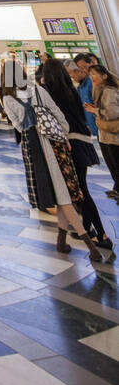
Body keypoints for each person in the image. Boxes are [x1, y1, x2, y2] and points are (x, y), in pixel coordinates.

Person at [2, 72, 103, 266]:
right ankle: (62, 241)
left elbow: (19, 125)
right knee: (62, 192)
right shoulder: (39, 91)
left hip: (35, 146)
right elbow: (58, 114)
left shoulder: (8, 98)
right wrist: (62, 135)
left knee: (61, 194)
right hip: (57, 143)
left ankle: (90, 246)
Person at [41, 59, 110, 252]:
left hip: (71, 145)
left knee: (81, 193)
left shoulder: (49, 92)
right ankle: (87, 228)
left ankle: (102, 235)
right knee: (80, 189)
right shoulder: (70, 89)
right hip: (84, 142)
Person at [89, 63, 119, 201]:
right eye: (91, 75)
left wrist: (94, 111)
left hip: (112, 136)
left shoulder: (109, 91)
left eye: (94, 74)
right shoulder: (102, 90)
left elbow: (112, 113)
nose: (92, 77)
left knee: (115, 164)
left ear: (104, 75)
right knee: (112, 165)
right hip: (106, 136)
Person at [68, 53, 98, 142]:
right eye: (79, 68)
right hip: (95, 130)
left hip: (104, 129)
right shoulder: (81, 87)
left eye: (85, 67)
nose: (83, 70)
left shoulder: (93, 83)